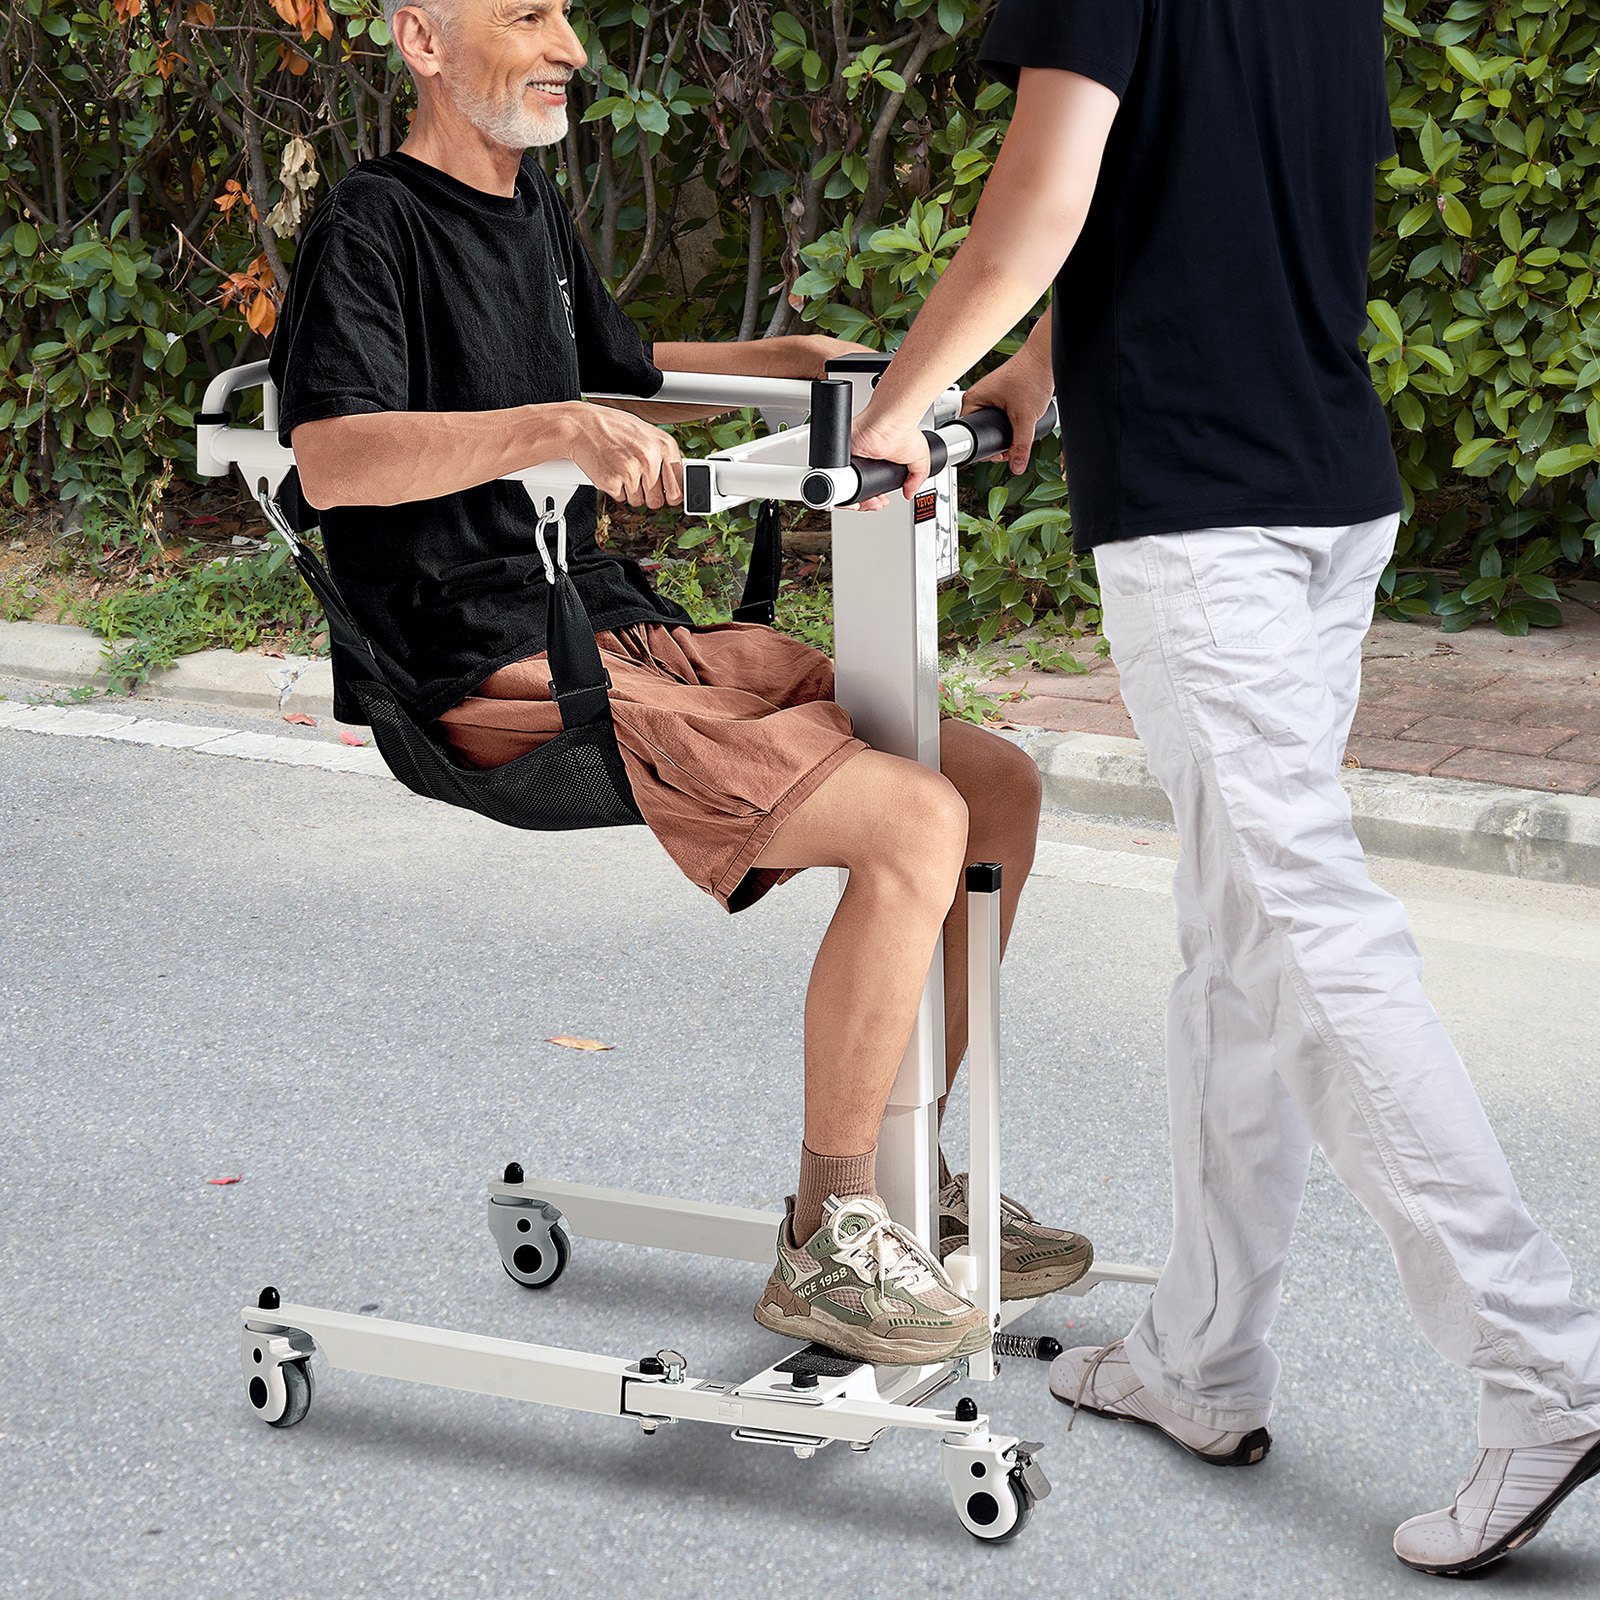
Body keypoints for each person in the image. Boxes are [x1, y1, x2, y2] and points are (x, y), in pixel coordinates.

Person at [848, 0, 1600, 1576]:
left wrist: (907, 394)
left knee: (1303, 938)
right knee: (1238, 951)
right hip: (1326, 489)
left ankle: (1544, 1367)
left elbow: (1044, 197)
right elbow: (1202, 195)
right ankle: (1201, 1358)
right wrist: (1048, 364)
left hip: (1207, 515)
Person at [266, 0, 1093, 1370]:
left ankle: (908, 1184)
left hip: (621, 629)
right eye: (530, 14)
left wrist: (855, 374)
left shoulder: (530, 213)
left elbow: (637, 384)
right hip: (495, 670)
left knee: (991, 786)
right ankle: (831, 1240)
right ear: (422, 40)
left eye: (567, 16)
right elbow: (337, 460)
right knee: (912, 820)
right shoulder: (374, 221)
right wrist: (554, 428)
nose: (570, 46)